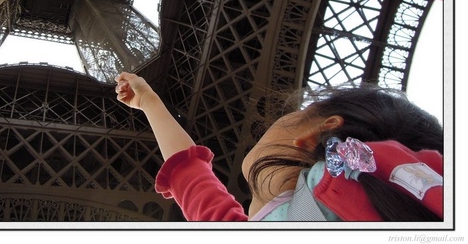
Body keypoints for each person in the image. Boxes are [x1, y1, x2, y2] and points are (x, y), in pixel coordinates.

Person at [114, 72, 443, 221]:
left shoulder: (349, 178)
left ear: (318, 133)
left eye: (299, 110)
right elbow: (191, 176)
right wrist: (149, 102)